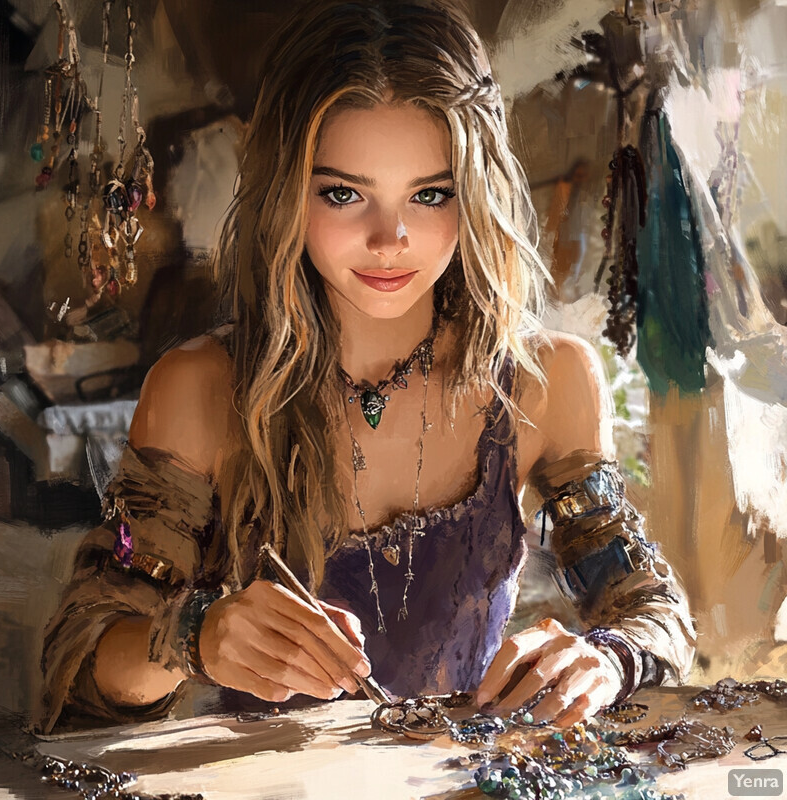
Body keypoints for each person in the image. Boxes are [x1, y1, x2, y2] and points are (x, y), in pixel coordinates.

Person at [37, 0, 695, 733]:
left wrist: (609, 659)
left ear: (473, 196)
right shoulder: (200, 390)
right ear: (288, 190)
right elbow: (80, 663)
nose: (391, 239)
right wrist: (196, 637)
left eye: (430, 194)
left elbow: (650, 608)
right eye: (344, 194)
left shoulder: (547, 380)